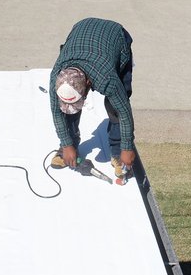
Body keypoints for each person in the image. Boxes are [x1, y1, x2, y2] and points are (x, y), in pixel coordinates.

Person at [49, 17, 135, 177]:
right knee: (67, 108)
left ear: (89, 82)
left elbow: (123, 112)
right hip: (82, 30)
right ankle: (69, 146)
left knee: (116, 105)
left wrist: (127, 148)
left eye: (80, 99)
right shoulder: (57, 77)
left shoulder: (107, 79)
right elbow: (56, 112)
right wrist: (67, 144)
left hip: (116, 36)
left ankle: (117, 152)